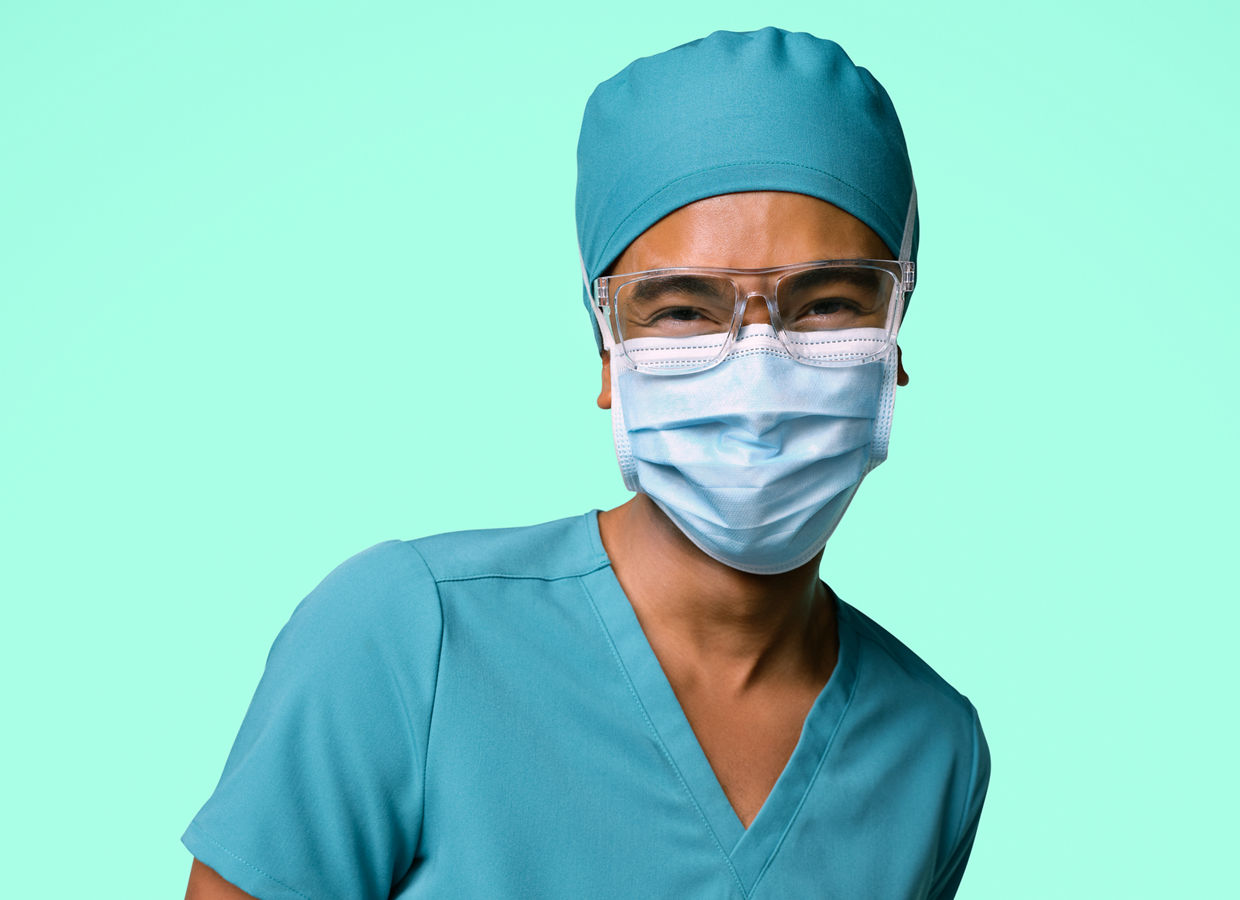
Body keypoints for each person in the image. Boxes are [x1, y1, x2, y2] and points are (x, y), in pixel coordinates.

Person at [184, 27, 990, 900]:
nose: (758, 368)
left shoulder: (933, 749)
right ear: (608, 352)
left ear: (892, 340)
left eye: (826, 302)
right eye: (682, 310)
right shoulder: (408, 638)